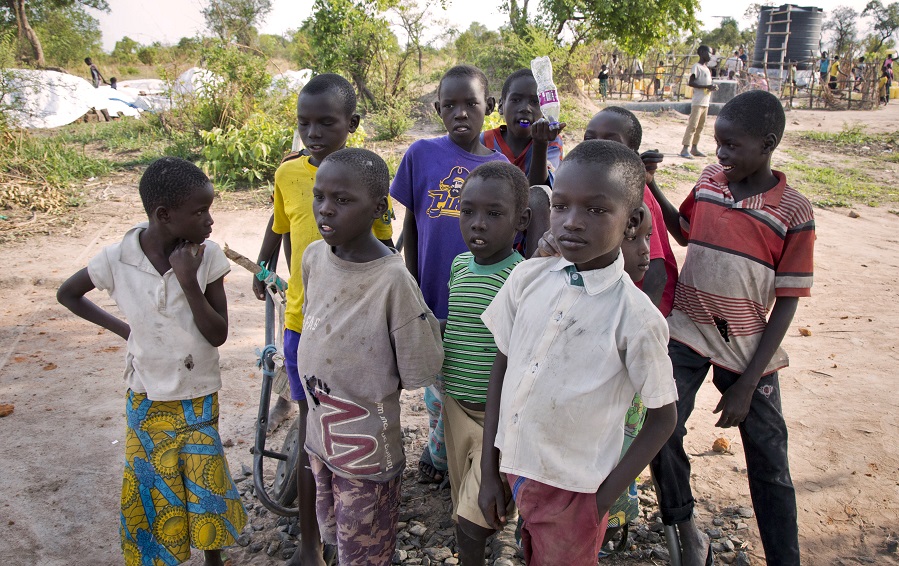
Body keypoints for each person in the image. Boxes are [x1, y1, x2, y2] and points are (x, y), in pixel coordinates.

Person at [478, 140, 678, 566]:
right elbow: (503, 364)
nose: (572, 223)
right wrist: (489, 469)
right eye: (562, 205)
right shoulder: (528, 278)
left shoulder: (635, 317)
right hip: (515, 468)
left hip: (577, 490)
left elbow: (664, 417)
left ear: (632, 222)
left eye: (596, 210)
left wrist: (599, 502)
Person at [648, 90, 815, 566]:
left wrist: (746, 385)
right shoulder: (709, 181)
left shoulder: (793, 212)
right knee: (660, 427)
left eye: (732, 146)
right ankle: (683, 528)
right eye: (718, 144)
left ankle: (785, 558)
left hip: (747, 348)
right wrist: (653, 184)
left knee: (769, 462)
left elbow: (786, 302)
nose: (720, 154)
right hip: (688, 331)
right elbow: (684, 230)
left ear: (767, 144)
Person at [57, 157, 248, 566]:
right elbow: (68, 294)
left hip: (199, 395)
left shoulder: (207, 256)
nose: (210, 221)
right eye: (200, 212)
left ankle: (214, 559)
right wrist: (125, 330)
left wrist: (188, 282)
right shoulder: (116, 259)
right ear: (164, 215)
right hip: (146, 397)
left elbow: (218, 334)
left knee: (204, 482)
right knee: (154, 489)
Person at [251, 73, 394, 566]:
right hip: (300, 319)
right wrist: (263, 265)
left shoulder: (366, 175)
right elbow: (280, 225)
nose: (313, 132)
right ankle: (312, 543)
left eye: (326, 122)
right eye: (304, 122)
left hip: (353, 324)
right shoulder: (288, 174)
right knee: (313, 433)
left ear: (351, 125)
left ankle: (361, 526)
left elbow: (385, 245)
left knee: (352, 428)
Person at [298, 148, 444, 566]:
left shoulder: (393, 280)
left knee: (364, 549)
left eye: (342, 200)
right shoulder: (314, 258)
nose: (326, 209)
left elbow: (420, 368)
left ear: (379, 207)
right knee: (334, 533)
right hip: (320, 438)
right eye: (319, 196)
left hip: (366, 453)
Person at [390, 64, 509, 485]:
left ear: (489, 108)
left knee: (470, 378)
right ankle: (442, 448)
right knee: (436, 382)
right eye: (450, 105)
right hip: (431, 292)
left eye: (470, 104)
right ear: (438, 109)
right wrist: (412, 286)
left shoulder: (498, 169)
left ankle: (451, 455)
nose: (461, 113)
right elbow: (411, 226)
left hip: (479, 298)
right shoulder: (420, 154)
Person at [441, 161, 531, 565]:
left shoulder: (522, 278)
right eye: (467, 211)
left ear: (521, 220)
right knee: (467, 498)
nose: (478, 224)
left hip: (496, 418)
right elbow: (457, 323)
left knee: (472, 521)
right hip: (455, 405)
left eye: (494, 214)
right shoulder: (460, 266)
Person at [584, 106, 678, 315]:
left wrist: (643, 323)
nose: (598, 147)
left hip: (642, 304)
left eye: (611, 141)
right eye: (590, 138)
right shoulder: (595, 187)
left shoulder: (633, 194)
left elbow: (656, 270)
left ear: (632, 153)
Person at [481, 68, 564, 256]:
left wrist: (540, 144)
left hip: (531, 236)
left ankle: (533, 274)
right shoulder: (483, 142)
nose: (525, 108)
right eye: (516, 100)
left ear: (544, 109)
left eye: (535, 102)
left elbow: (538, 191)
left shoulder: (551, 141)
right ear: (501, 106)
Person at [680, 45, 718, 159]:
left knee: (700, 126)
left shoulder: (707, 69)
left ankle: (694, 147)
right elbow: (691, 83)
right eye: (709, 53)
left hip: (705, 102)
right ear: (701, 52)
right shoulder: (696, 67)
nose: (711, 55)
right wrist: (707, 86)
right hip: (698, 102)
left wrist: (712, 87)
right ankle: (685, 148)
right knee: (692, 125)